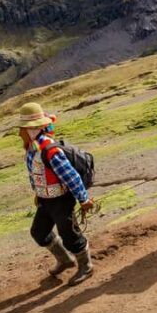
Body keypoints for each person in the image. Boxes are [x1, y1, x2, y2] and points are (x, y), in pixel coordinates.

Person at [17, 102, 94, 286]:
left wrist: (83, 199)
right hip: (45, 200)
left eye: (31, 128)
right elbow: (34, 174)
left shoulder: (50, 151)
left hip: (61, 199)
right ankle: (65, 260)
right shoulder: (31, 148)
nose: (26, 131)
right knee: (39, 232)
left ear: (39, 127)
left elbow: (71, 176)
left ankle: (86, 265)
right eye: (26, 128)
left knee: (69, 234)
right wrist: (38, 192)